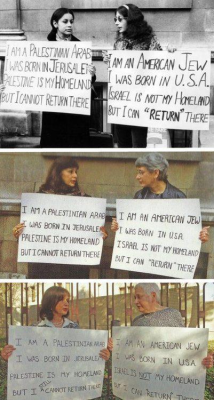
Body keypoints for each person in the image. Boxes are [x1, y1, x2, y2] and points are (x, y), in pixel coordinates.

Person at [111, 153, 210, 278]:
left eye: (141, 172)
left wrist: (200, 236)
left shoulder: (178, 197)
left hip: (166, 268)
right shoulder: (139, 196)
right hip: (141, 267)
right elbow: (132, 231)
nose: (137, 176)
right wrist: (119, 228)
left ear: (156, 173)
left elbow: (186, 235)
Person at [13, 156, 107, 279]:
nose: (75, 176)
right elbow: (32, 234)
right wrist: (18, 234)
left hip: (74, 269)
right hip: (43, 268)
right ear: (58, 173)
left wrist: (100, 236)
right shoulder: (37, 200)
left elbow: (89, 236)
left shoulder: (86, 202)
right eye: (70, 171)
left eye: (76, 172)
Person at [108, 283, 213, 370]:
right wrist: (116, 346)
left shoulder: (172, 314)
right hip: (143, 380)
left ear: (153, 296)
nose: (135, 301)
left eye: (139, 297)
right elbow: (131, 352)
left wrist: (202, 360)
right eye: (135, 298)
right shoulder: (137, 321)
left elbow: (184, 347)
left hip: (167, 380)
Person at [1, 286, 110, 363]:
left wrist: (103, 354)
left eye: (67, 300)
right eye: (61, 300)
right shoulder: (35, 328)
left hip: (67, 383)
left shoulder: (74, 327)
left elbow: (84, 354)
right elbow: (25, 356)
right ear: (50, 303)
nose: (66, 303)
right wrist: (7, 356)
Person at [103, 4, 162, 148]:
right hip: (121, 102)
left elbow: (162, 65)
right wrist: (110, 62)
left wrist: (171, 52)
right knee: (123, 146)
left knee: (138, 146)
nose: (116, 22)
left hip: (139, 103)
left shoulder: (149, 42)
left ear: (131, 20)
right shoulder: (119, 42)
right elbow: (118, 72)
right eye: (115, 19)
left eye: (120, 19)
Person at [40, 8, 96, 148]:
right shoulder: (45, 47)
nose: (70, 24)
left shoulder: (80, 47)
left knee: (74, 143)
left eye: (71, 21)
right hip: (54, 106)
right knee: (55, 143)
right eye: (65, 21)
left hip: (75, 108)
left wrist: (91, 74)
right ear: (55, 24)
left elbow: (88, 80)